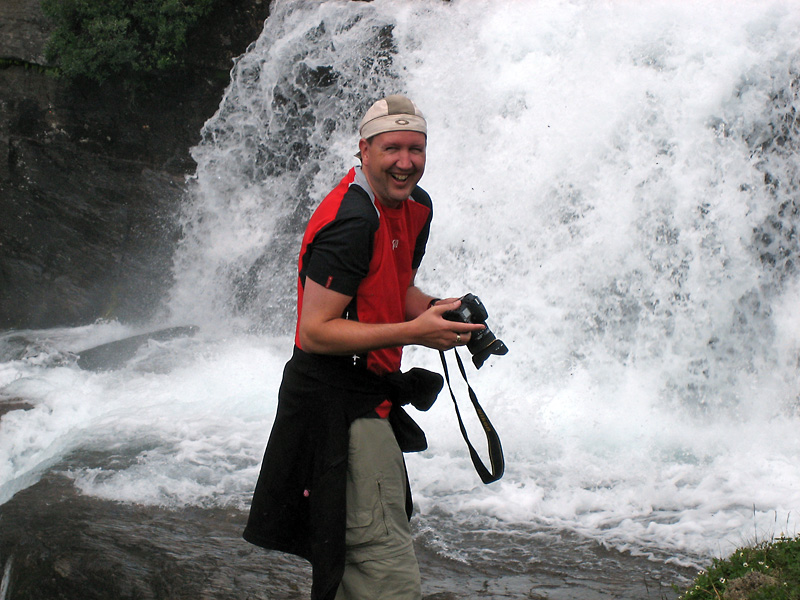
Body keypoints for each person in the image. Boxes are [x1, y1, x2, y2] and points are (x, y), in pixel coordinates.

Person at [243, 94, 484, 600]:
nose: (405, 162)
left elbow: (397, 291)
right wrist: (414, 333)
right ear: (364, 150)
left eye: (415, 149)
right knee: (381, 563)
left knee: (362, 549)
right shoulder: (352, 221)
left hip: (369, 394)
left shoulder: (416, 206)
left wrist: (444, 311)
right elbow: (315, 331)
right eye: (391, 148)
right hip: (334, 402)